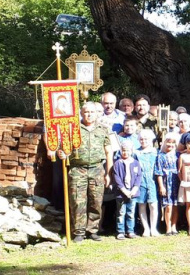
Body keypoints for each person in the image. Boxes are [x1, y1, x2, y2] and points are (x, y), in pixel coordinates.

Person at [58, 102, 113, 242]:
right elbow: (65, 149)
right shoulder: (73, 129)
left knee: (96, 200)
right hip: (78, 169)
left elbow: (108, 152)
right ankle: (78, 232)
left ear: (96, 114)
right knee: (77, 201)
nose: (89, 115)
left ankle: (93, 230)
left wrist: (108, 173)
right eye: (86, 112)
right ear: (81, 113)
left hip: (97, 169)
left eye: (92, 112)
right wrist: (63, 154)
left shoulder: (103, 129)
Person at [113, 141, 142, 239]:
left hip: (132, 192)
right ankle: (120, 231)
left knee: (131, 212)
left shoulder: (136, 163)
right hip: (121, 193)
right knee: (121, 212)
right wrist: (124, 190)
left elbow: (138, 177)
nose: (126, 153)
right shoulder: (117, 163)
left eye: (128, 150)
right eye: (124, 150)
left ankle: (130, 231)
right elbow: (117, 178)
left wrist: (134, 189)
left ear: (131, 151)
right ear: (121, 151)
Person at [155, 132, 180, 235]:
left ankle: (174, 226)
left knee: (175, 205)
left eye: (173, 143)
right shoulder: (160, 156)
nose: (170, 145)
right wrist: (161, 186)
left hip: (176, 181)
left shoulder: (177, 155)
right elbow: (158, 172)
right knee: (168, 206)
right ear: (164, 142)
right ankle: (168, 227)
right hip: (166, 182)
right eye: (168, 142)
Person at [135, 129, 160, 237]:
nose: (143, 141)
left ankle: (153, 228)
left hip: (152, 181)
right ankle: (146, 229)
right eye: (141, 139)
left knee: (153, 205)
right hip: (140, 182)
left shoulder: (156, 152)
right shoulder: (136, 153)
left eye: (146, 139)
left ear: (150, 140)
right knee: (142, 205)